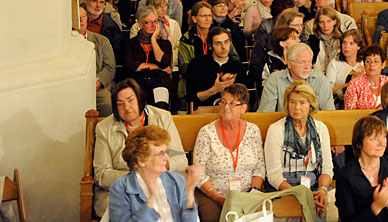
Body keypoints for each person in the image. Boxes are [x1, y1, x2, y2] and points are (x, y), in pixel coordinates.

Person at [93, 79, 188, 218]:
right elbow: (101, 175)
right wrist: (138, 178)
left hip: (161, 183)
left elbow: (181, 160)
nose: (127, 107)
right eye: (120, 104)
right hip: (122, 188)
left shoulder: (163, 117)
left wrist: (160, 169)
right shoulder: (104, 128)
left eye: (131, 100)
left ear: (140, 99)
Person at [192, 84, 265, 222]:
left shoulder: (253, 131)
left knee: (256, 213)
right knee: (211, 215)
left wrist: (253, 192)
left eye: (232, 104)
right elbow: (199, 172)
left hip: (247, 192)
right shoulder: (206, 133)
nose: (225, 107)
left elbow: (260, 167)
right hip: (213, 194)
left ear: (243, 108)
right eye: (223, 102)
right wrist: (217, 197)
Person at [263, 81, 334, 217]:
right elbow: (273, 174)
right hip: (284, 185)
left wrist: (322, 189)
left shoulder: (320, 129)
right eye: (292, 102)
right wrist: (300, 195)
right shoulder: (276, 129)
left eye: (302, 102)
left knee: (328, 206)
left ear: (310, 105)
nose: (297, 108)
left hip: (314, 183)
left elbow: (327, 168)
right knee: (302, 209)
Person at [335, 116, 388, 222]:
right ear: (359, 143)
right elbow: (348, 219)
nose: (381, 143)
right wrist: (376, 207)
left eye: (384, 137)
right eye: (374, 139)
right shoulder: (345, 175)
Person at [108, 125, 202, 222]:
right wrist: (151, 201)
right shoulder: (121, 188)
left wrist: (189, 192)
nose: (167, 158)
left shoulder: (177, 180)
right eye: (161, 154)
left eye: (166, 152)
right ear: (141, 160)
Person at [258, 43, 335, 111]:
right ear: (289, 64)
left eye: (309, 62)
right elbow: (265, 114)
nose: (307, 67)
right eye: (302, 62)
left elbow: (329, 113)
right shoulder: (274, 80)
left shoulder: (320, 80)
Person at [184, 28, 248, 109]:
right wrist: (214, 90)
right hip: (203, 113)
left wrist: (232, 87)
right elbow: (191, 98)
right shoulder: (196, 64)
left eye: (226, 42)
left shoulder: (238, 66)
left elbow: (244, 100)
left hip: (231, 112)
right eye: (218, 43)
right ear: (210, 46)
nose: (223, 47)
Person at [126, 5, 175, 109]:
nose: (153, 25)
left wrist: (153, 40)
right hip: (137, 83)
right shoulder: (130, 44)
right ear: (140, 24)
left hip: (159, 82)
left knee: (161, 107)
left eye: (155, 21)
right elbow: (131, 66)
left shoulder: (164, 44)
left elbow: (163, 62)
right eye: (148, 22)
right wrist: (157, 67)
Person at [343, 44, 388, 110]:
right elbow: (349, 112)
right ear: (364, 64)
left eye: (376, 61)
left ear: (383, 64)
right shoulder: (354, 85)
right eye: (368, 61)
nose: (372, 64)